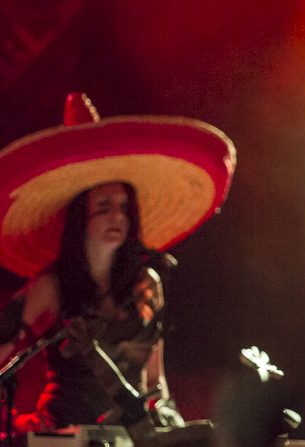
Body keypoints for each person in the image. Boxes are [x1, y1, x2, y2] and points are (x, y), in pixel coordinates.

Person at [0, 93, 235, 435]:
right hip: (67, 437)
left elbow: (156, 380)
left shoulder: (147, 282)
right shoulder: (51, 286)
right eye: (105, 206)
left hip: (133, 436)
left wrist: (175, 430)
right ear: (80, 215)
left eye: (125, 207)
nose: (118, 216)